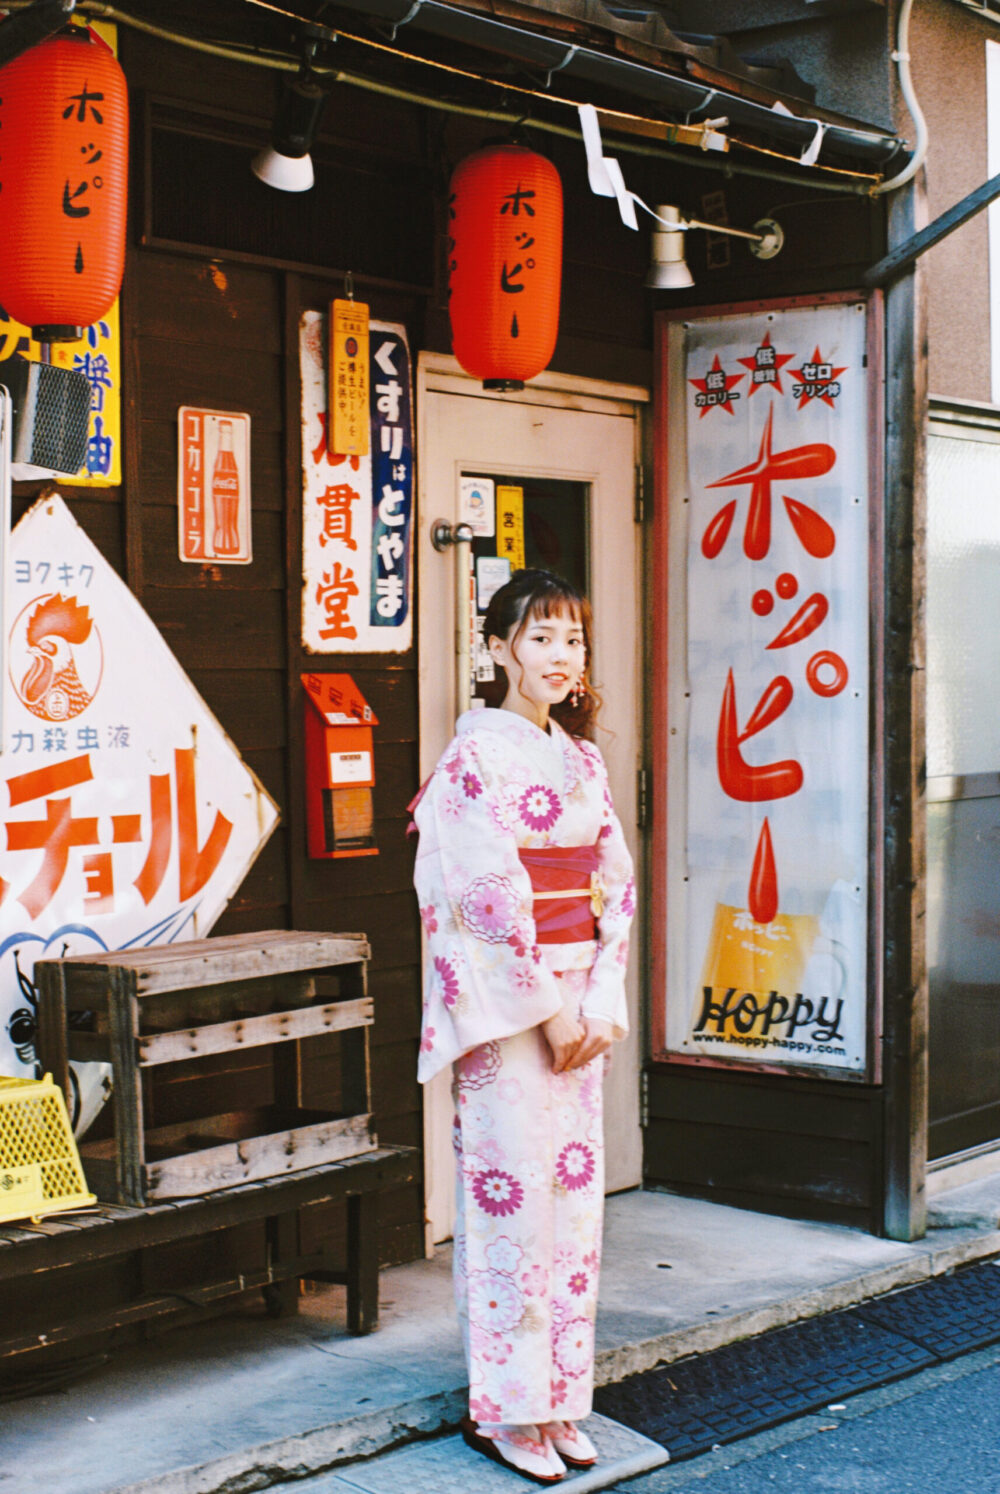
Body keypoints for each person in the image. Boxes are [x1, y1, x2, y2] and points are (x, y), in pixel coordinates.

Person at [412, 568, 635, 1485]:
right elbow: (481, 897)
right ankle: (505, 1407)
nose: (560, 655)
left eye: (572, 639)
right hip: (514, 1011)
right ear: (498, 648)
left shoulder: (582, 760)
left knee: (573, 1207)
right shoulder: (474, 759)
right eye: (541, 637)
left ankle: (560, 1396)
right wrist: (547, 1008)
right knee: (511, 1203)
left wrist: (600, 1000)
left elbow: (613, 883)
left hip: (580, 1003)